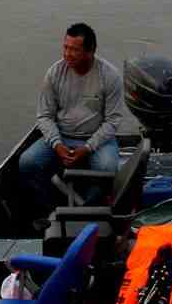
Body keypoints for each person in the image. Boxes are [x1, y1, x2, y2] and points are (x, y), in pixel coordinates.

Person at [18, 22, 123, 222]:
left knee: (108, 168)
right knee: (27, 163)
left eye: (74, 49)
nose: (67, 54)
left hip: (97, 140)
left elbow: (113, 121)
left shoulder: (110, 76)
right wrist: (57, 144)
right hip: (62, 136)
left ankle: (86, 212)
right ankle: (51, 213)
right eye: (65, 47)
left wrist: (88, 148)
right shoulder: (54, 73)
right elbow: (44, 116)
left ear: (91, 51)